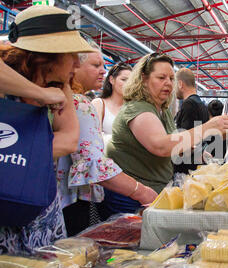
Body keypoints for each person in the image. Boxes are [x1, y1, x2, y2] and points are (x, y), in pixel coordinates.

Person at [0, 5, 95, 254]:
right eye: (71, 53)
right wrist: (40, 93)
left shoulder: (62, 88)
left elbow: (68, 141)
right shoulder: (12, 87)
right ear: (46, 56)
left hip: (39, 211)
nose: (77, 62)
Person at [103, 53, 228, 215]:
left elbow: (173, 140)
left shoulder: (162, 109)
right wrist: (207, 128)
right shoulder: (137, 108)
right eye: (161, 77)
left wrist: (196, 151)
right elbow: (160, 146)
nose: (168, 83)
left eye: (171, 78)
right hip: (132, 196)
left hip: (155, 191)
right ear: (143, 79)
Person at [58, 48, 158, 236]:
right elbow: (93, 163)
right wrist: (141, 191)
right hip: (71, 199)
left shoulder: (54, 99)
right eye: (96, 65)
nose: (103, 71)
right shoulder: (81, 104)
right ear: (73, 66)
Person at [173, 67, 210, 174]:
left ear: (180, 84)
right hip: (196, 165)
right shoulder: (202, 105)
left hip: (185, 169)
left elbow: (185, 140)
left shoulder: (189, 105)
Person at [91, 62, 132, 146]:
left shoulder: (133, 108)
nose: (128, 84)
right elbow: (93, 138)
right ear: (111, 80)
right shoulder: (99, 104)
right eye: (124, 80)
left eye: (131, 81)